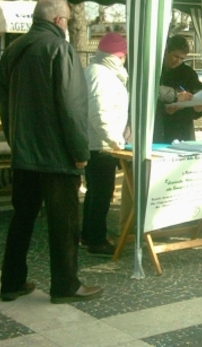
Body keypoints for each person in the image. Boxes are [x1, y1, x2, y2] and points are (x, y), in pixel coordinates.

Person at [0, 0, 102, 304]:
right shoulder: (59, 48)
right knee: (64, 223)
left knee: (22, 218)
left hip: (24, 154)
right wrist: (80, 153)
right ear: (59, 20)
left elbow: (4, 102)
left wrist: (16, 140)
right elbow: (71, 107)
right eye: (67, 19)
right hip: (56, 156)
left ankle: (11, 281)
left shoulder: (13, 49)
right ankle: (66, 285)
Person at [81, 32, 129, 256]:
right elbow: (99, 112)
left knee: (95, 192)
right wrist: (114, 139)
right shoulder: (101, 75)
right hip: (101, 144)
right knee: (101, 193)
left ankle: (88, 234)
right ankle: (96, 240)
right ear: (119, 56)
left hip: (97, 142)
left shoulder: (97, 71)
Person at [153, 35, 202, 143]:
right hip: (157, 128)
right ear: (166, 51)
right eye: (175, 56)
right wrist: (164, 108)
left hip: (181, 130)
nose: (178, 61)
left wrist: (199, 107)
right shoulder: (154, 69)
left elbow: (199, 94)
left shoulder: (188, 73)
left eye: (182, 59)